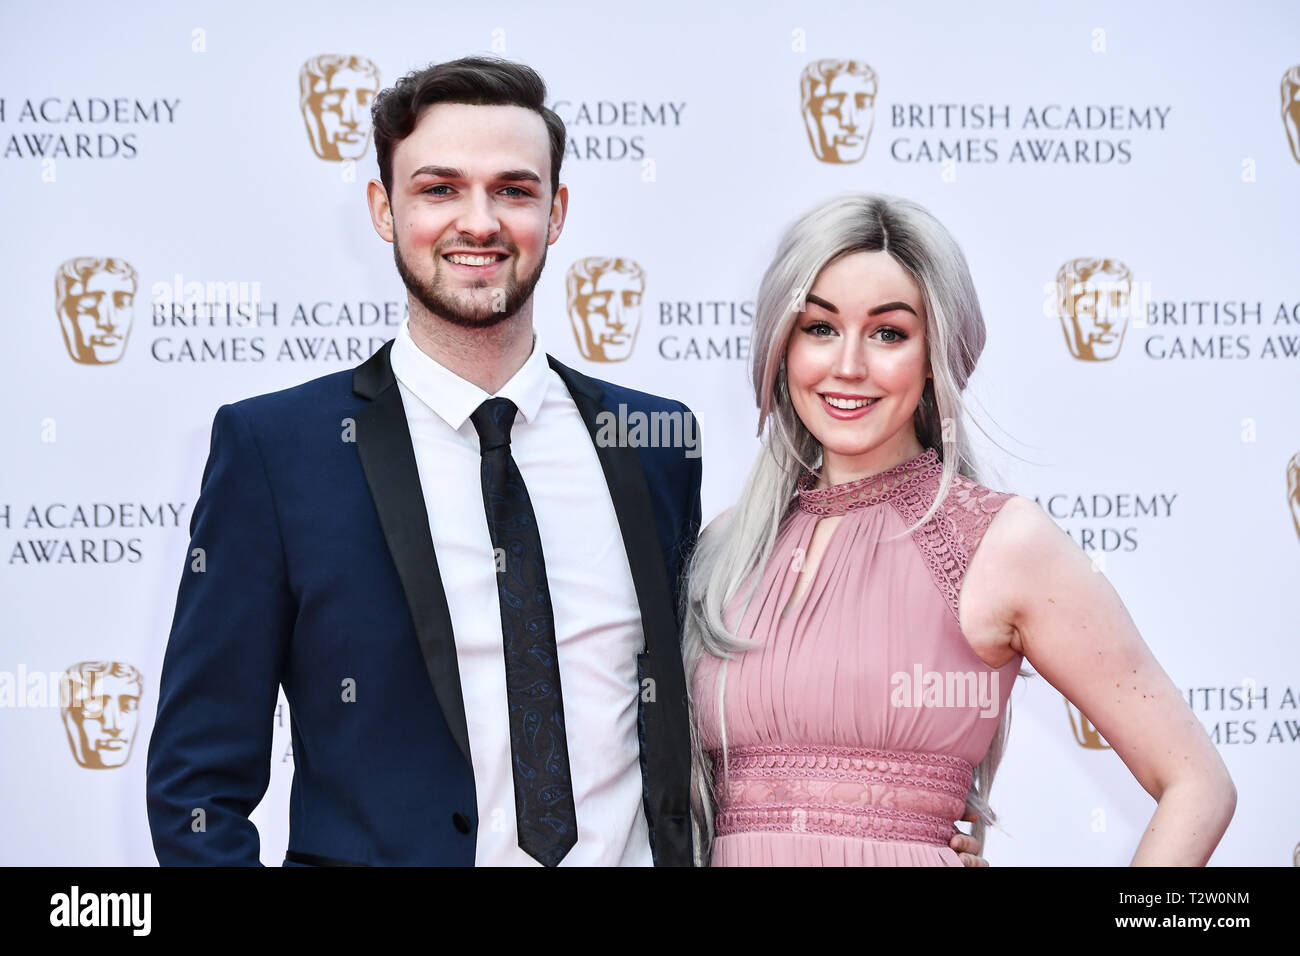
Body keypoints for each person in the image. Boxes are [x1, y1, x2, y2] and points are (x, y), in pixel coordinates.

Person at [146, 57, 707, 866]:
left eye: (513, 190)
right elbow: (196, 786)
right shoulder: (276, 451)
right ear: (383, 208)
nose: (478, 222)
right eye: (439, 188)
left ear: (556, 213)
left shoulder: (653, 444)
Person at [682, 193, 1237, 866]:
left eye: (889, 332)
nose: (848, 365)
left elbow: (1197, 784)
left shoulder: (1000, 543)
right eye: (820, 328)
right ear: (781, 343)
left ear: (936, 355)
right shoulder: (728, 549)